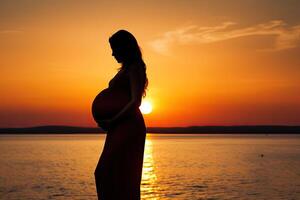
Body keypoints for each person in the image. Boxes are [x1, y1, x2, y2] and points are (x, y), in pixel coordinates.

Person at [94, 30, 148, 200]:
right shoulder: (125, 69)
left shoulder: (134, 68)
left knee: (110, 173)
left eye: (115, 48)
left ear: (124, 48)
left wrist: (113, 120)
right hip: (119, 125)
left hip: (128, 125)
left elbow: (135, 101)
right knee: (107, 173)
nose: (112, 53)